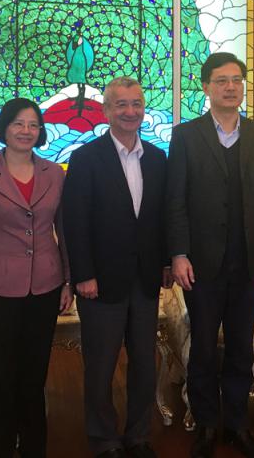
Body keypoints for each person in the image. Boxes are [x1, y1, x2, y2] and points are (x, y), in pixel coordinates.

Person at [167, 52, 254, 458]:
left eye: (236, 79)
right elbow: (175, 200)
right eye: (221, 80)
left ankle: (237, 424)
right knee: (202, 347)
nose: (230, 87)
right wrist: (178, 253)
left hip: (249, 262)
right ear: (206, 87)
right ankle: (205, 424)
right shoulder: (186, 135)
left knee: (240, 348)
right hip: (201, 264)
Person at [0, 97, 71, 457]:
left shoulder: (55, 174)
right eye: (18, 124)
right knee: (2, 376)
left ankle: (34, 447)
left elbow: (65, 231)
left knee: (35, 376)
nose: (26, 131)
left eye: (33, 125)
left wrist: (68, 280)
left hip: (46, 288)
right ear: (4, 128)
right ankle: (0, 447)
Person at [62, 76, 169, 458]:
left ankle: (139, 436)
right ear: (106, 110)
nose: (130, 111)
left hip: (145, 281)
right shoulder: (85, 158)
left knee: (144, 365)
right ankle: (104, 439)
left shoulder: (157, 158)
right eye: (121, 104)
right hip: (100, 282)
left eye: (136, 103)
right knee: (101, 366)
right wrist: (83, 275)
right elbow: (74, 222)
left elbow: (162, 218)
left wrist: (166, 263)